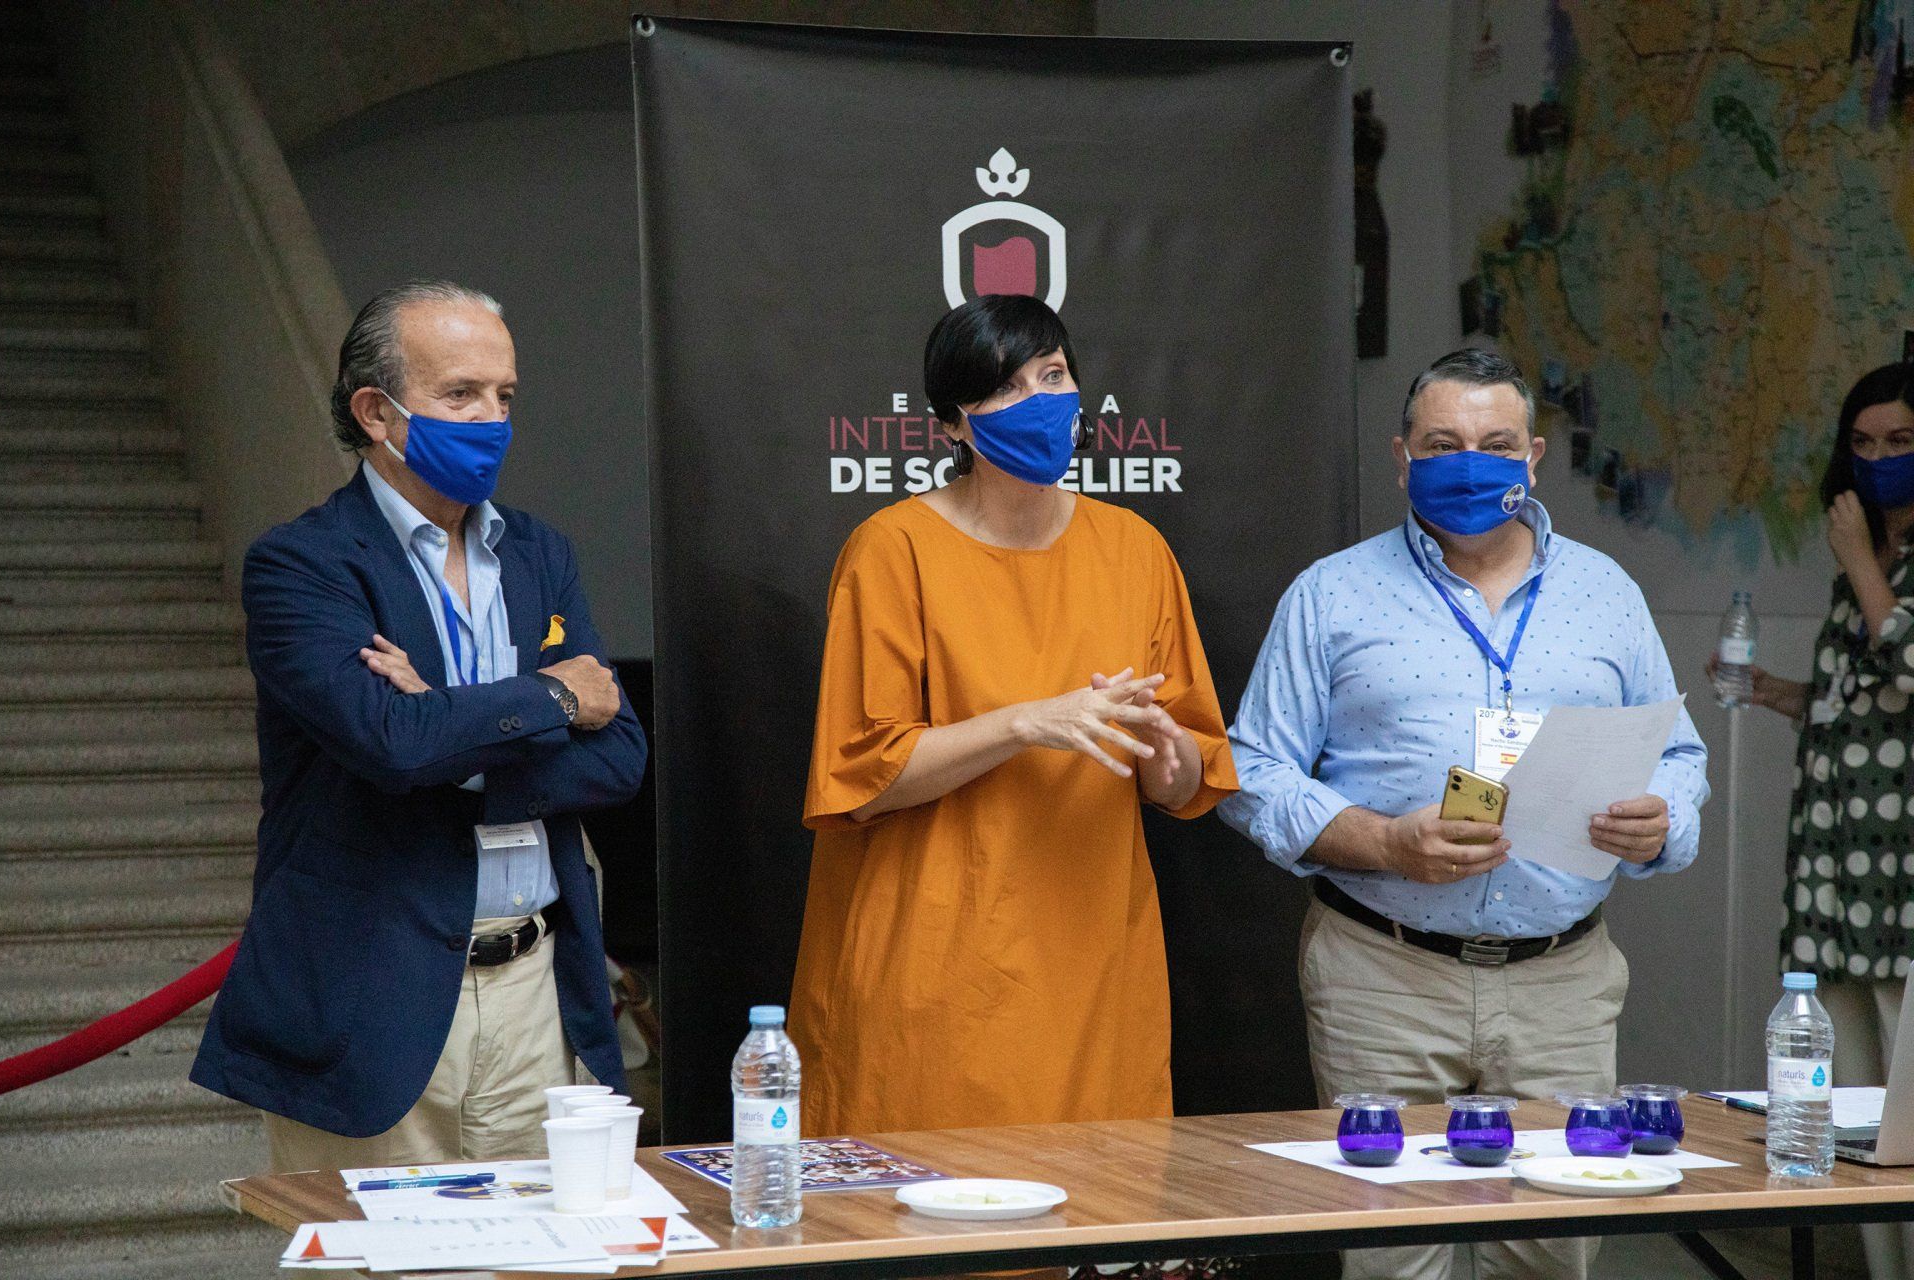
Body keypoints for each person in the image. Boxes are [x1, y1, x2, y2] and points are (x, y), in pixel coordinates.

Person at [1221, 348, 1708, 1280]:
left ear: (1533, 459)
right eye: (1443, 444)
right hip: (1383, 977)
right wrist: (1381, 842)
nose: (1471, 463)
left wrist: (1662, 824)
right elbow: (1250, 768)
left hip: (1562, 985)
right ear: (1402, 456)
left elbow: (1678, 755)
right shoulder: (1331, 592)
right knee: (1394, 1259)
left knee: (1550, 1254)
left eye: (1496, 444)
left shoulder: (1606, 592)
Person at [190, 280, 648, 1170]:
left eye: (505, 396)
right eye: (460, 394)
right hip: (372, 1000)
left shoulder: (540, 552)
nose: (492, 420)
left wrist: (446, 723)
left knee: (547, 1244)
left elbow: (621, 756)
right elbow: (391, 746)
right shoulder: (302, 564)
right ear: (376, 412)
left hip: (539, 997)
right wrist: (552, 699)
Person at [788, 295, 1238, 1146]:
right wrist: (1028, 722)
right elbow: (863, 779)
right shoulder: (893, 550)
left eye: (1054, 376)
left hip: (1092, 963)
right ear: (952, 425)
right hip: (935, 963)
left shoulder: (1135, 550)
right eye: (1006, 387)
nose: (1041, 402)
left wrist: (1167, 746)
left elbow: (1183, 785)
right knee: (930, 1202)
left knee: (1101, 1195)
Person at [1712, 362, 1914, 1280]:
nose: (1879, 458)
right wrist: (1772, 692)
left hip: (1899, 882)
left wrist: (1862, 563)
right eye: (1863, 443)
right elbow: (1859, 703)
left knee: (1907, 1107)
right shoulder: (1862, 557)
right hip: (1833, 881)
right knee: (1847, 1106)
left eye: (1900, 441)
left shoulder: (1866, 559)